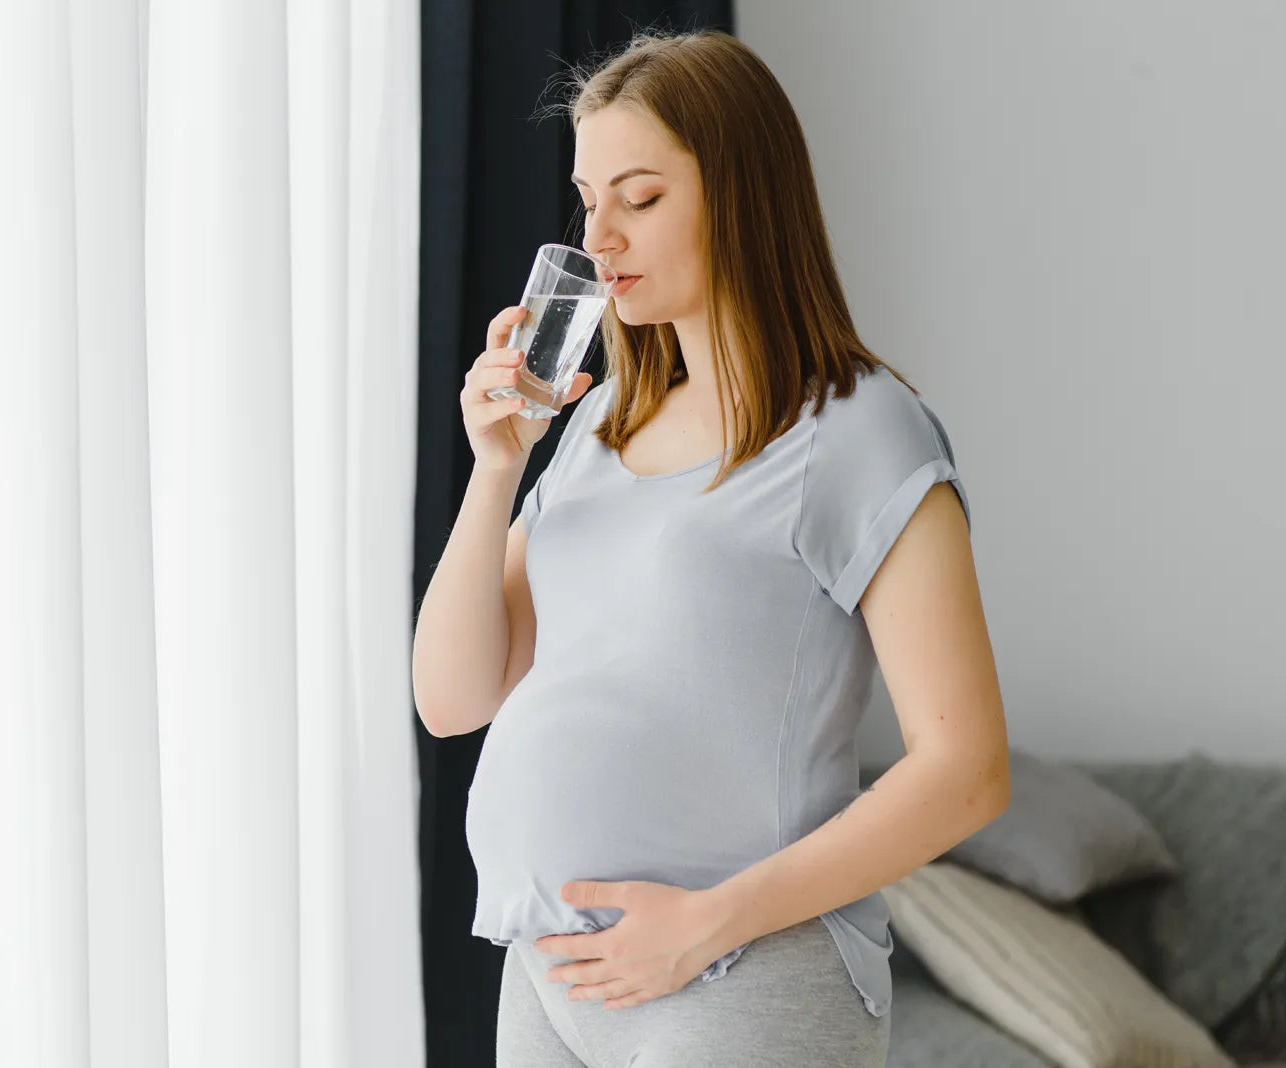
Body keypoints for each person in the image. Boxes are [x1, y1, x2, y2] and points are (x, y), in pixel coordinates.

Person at [410, 28, 1011, 1068]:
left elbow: (966, 770)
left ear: (739, 195)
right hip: (547, 978)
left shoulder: (859, 430)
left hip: (739, 980)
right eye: (588, 200)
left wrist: (708, 924)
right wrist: (495, 468)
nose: (601, 238)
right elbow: (452, 697)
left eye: (639, 199)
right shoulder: (598, 431)